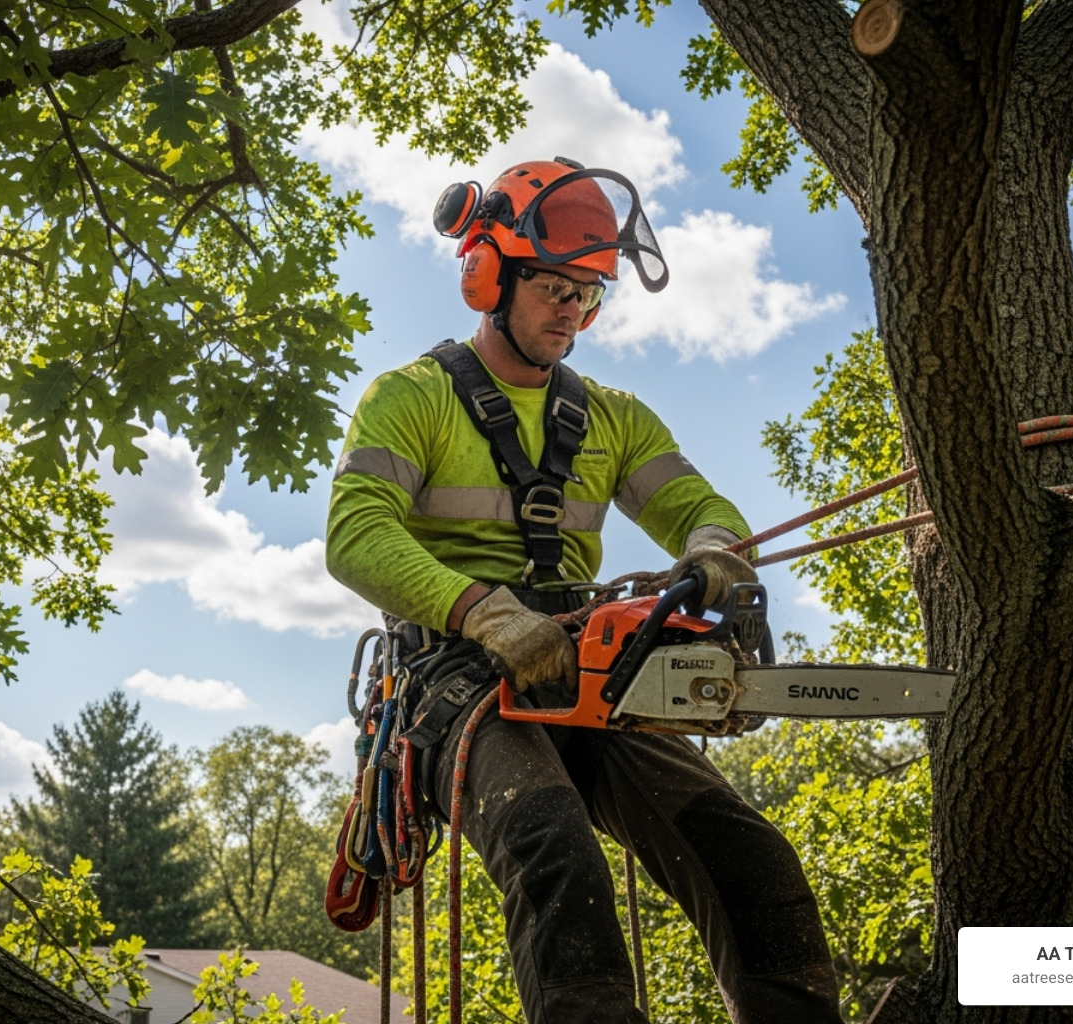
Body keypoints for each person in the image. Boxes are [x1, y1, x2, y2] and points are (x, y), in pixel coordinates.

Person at [325, 157, 841, 1024]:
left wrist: (715, 550)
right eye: (557, 288)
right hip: (456, 674)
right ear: (492, 275)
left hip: (588, 666)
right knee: (552, 846)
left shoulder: (614, 416)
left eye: (590, 294)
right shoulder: (410, 397)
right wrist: (484, 612)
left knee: (747, 856)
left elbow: (698, 506)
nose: (574, 311)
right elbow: (356, 536)